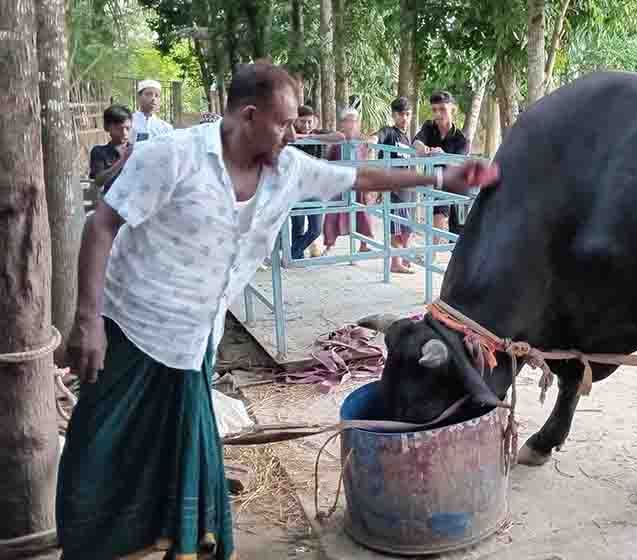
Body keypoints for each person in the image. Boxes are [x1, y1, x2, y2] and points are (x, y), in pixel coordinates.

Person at [57, 62, 497, 560]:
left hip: (195, 340)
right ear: (249, 116)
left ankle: (179, 542)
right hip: (132, 327)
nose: (294, 134)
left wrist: (441, 174)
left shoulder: (288, 168)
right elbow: (100, 227)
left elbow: (359, 176)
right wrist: (87, 320)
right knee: (104, 447)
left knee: (182, 453)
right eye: (284, 123)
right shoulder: (172, 156)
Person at [412, 90, 470, 243]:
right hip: (438, 181)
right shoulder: (429, 127)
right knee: (437, 214)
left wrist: (443, 155)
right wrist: (419, 146)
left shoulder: (462, 138)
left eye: (442, 109)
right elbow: (417, 140)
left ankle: (454, 252)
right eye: (434, 110)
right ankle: (433, 252)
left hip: (458, 185)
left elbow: (460, 163)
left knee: (458, 231)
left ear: (453, 110)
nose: (438, 114)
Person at [321, 106, 375, 254]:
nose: (351, 124)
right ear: (342, 123)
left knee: (363, 213)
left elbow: (368, 158)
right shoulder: (337, 139)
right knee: (333, 214)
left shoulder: (362, 140)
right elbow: (329, 160)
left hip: (358, 181)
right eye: (348, 121)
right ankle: (329, 245)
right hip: (340, 182)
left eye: (354, 121)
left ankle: (364, 244)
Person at [371, 97, 415, 273]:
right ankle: (396, 262)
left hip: (407, 189)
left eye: (408, 114)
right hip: (394, 190)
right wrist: (371, 141)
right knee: (397, 228)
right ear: (394, 115)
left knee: (407, 227)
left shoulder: (407, 139)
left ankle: (404, 258)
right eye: (401, 114)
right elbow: (377, 136)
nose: (405, 118)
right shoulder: (389, 132)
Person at [289, 104, 323, 259]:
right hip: (295, 189)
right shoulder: (289, 136)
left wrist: (310, 137)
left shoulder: (318, 135)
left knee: (316, 229)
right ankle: (297, 258)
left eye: (310, 122)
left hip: (314, 188)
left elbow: (339, 136)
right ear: (295, 121)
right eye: (303, 122)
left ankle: (291, 254)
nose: (307, 125)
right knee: (298, 226)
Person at [88, 104, 133, 194]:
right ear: (107, 127)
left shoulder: (137, 149)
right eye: (119, 128)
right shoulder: (99, 152)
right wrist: (123, 160)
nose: (124, 133)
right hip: (110, 201)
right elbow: (98, 181)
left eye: (128, 128)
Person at [130, 79, 173, 144]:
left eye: (157, 96)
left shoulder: (166, 128)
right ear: (139, 97)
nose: (153, 98)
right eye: (148, 94)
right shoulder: (128, 123)